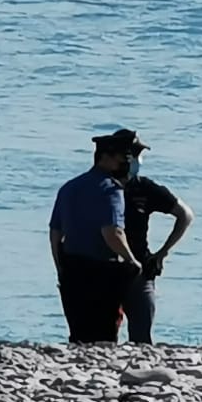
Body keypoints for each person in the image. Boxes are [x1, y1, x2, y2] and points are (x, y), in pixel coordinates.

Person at [48, 129, 145, 344]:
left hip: (71, 266)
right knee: (105, 332)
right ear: (106, 157)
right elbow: (112, 232)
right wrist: (131, 260)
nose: (125, 162)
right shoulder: (111, 190)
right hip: (101, 271)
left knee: (79, 332)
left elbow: (55, 233)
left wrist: (60, 266)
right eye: (122, 157)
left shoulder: (69, 188)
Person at [121, 143, 196, 344]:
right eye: (134, 156)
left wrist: (163, 252)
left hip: (140, 268)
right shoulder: (103, 187)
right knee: (102, 337)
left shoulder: (144, 188)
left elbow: (185, 215)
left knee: (141, 335)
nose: (137, 161)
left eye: (139, 156)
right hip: (105, 268)